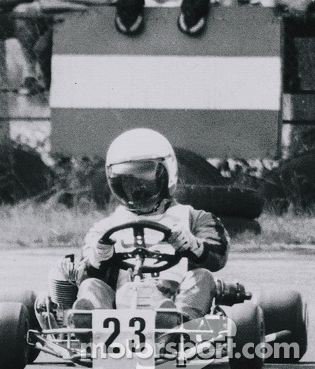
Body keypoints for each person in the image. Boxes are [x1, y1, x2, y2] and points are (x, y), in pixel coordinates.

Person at [67, 128, 230, 323]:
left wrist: (193, 246)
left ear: (167, 175)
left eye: (145, 179)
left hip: (174, 297)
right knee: (91, 284)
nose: (137, 190)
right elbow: (83, 274)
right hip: (116, 306)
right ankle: (89, 322)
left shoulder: (194, 218)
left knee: (202, 277)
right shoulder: (104, 228)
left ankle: (178, 322)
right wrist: (98, 257)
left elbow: (218, 255)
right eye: (127, 181)